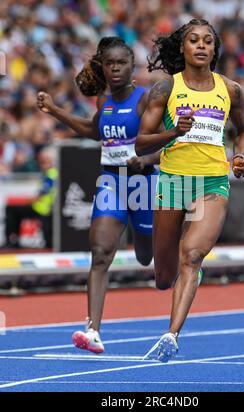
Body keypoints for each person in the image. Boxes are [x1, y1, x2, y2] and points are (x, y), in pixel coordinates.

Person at [135, 19, 244, 362]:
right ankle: (177, 270)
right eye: (193, 40)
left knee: (192, 255)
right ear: (183, 48)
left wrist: (240, 155)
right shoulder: (165, 90)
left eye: (207, 41)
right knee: (163, 275)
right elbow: (141, 145)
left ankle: (171, 335)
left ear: (214, 49)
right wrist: (173, 134)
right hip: (173, 182)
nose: (200, 46)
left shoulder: (230, 89)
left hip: (212, 181)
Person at [37, 37, 159, 354]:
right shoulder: (103, 101)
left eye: (121, 63)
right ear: (102, 68)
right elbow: (95, 132)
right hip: (111, 182)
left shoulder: (146, 100)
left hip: (143, 184)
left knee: (148, 257)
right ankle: (93, 330)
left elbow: (171, 141)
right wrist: (54, 110)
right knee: (101, 252)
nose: (115, 68)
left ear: (133, 67)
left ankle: (178, 265)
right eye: (110, 63)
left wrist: (146, 159)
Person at [5, 146, 57, 249]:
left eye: (45, 161)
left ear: (51, 161)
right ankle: (14, 240)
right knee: (12, 209)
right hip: (42, 208)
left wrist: (27, 201)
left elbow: (42, 194)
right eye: (41, 161)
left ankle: (12, 241)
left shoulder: (51, 174)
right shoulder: (48, 174)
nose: (41, 163)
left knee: (12, 209)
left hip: (44, 210)